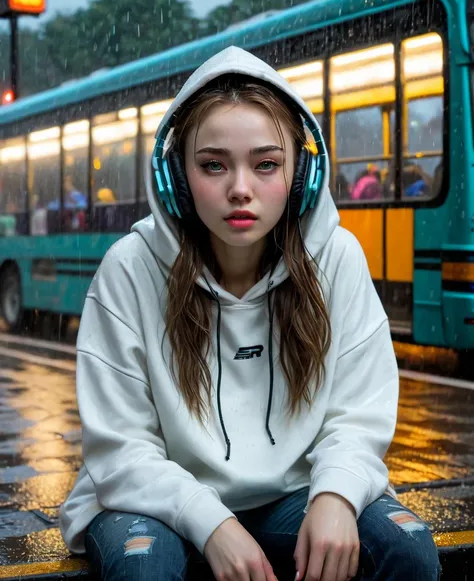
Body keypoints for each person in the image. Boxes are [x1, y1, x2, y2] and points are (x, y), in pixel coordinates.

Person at [59, 47, 441, 581]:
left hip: (289, 494)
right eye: (213, 164)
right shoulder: (130, 268)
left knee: (408, 549)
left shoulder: (337, 258)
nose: (240, 188)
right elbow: (122, 449)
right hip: (152, 502)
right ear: (175, 177)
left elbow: (358, 411)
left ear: (302, 174)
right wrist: (210, 521)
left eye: (266, 164)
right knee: (144, 566)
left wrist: (335, 492)